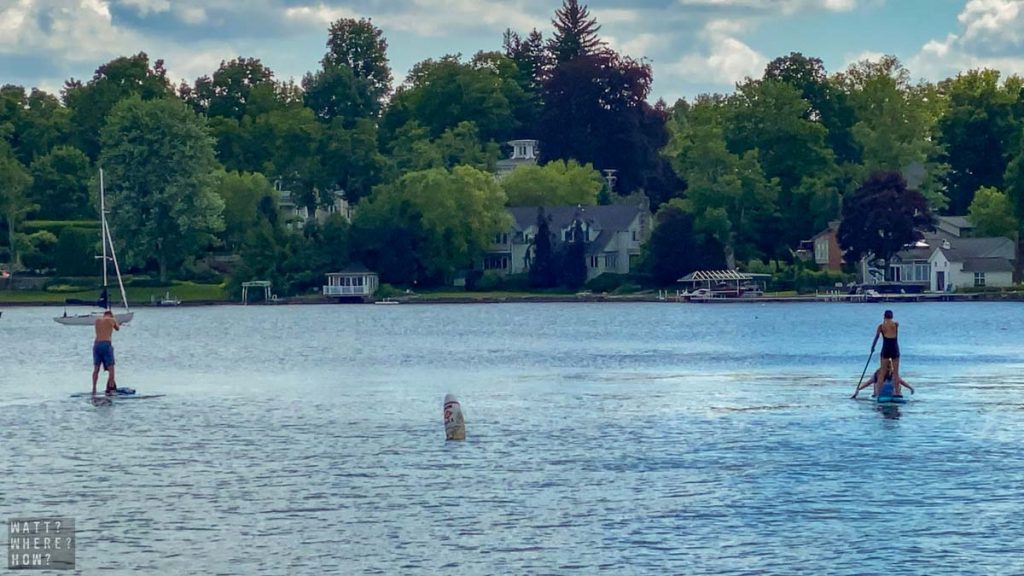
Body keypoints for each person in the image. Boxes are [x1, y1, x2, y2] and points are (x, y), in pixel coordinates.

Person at [92, 310, 120, 395]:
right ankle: (110, 388)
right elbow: (117, 328)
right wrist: (115, 321)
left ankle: (94, 388)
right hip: (106, 344)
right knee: (111, 369)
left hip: (96, 345)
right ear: (111, 315)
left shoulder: (97, 321)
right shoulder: (112, 320)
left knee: (96, 369)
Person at [872, 310, 901, 392]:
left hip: (886, 349)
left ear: (884, 316)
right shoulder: (896, 324)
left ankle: (878, 393)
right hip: (895, 349)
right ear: (892, 316)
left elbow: (876, 337)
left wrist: (873, 347)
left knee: (882, 373)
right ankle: (897, 393)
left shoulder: (881, 326)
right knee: (896, 373)